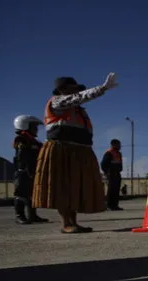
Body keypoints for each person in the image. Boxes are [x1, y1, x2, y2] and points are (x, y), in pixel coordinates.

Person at [33, 73, 119, 233]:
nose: (77, 93)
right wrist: (102, 88)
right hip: (62, 149)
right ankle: (66, 223)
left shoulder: (77, 110)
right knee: (63, 187)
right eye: (73, 89)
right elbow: (78, 98)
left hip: (79, 150)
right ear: (62, 89)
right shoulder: (57, 102)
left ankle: (73, 222)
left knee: (75, 187)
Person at [12, 115, 48, 224]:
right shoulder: (21, 139)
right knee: (21, 194)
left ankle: (33, 216)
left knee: (32, 194)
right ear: (25, 126)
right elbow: (21, 156)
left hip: (33, 171)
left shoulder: (34, 142)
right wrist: (26, 168)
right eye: (34, 127)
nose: (36, 129)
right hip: (22, 171)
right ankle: (20, 216)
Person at [100, 139, 123, 211]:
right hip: (111, 173)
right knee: (111, 189)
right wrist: (107, 172)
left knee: (116, 189)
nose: (120, 146)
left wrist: (119, 169)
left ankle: (115, 205)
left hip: (117, 173)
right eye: (118, 144)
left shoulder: (119, 153)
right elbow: (103, 164)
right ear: (113, 145)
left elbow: (120, 163)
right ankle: (109, 206)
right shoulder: (109, 153)